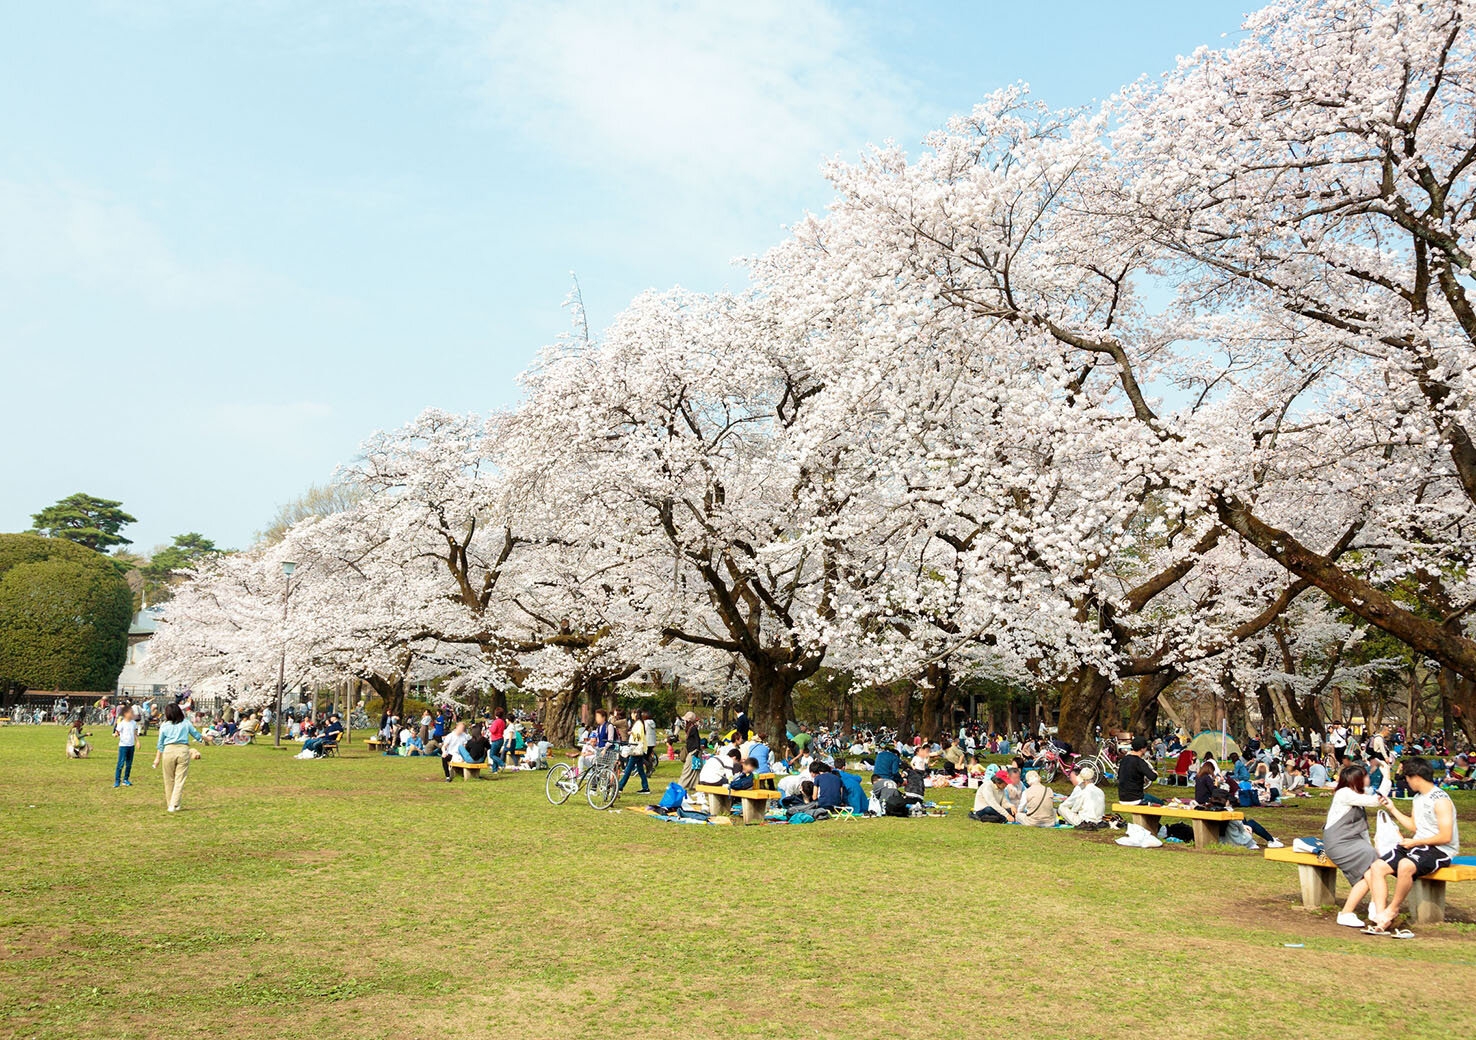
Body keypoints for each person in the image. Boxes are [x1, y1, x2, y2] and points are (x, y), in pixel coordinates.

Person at [1365, 758, 1461, 933]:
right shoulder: (1418, 798)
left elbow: (1446, 837)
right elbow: (1414, 826)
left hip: (1440, 850)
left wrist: (1415, 842)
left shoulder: (1441, 800)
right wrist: (1392, 809)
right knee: (1377, 867)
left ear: (1416, 777)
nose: (1406, 782)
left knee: (1405, 865)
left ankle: (1393, 909)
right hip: (1418, 844)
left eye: (1407, 778)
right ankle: (1381, 918)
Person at [1321, 762, 1385, 928]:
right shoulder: (1344, 793)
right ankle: (1377, 907)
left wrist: (1370, 846)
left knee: (1371, 866)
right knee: (1372, 864)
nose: (1368, 778)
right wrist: (1387, 778)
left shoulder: (1357, 795)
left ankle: (1351, 912)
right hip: (1338, 842)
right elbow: (1378, 801)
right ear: (1356, 779)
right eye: (1365, 775)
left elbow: (1362, 830)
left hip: (1352, 841)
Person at [152, 702, 203, 812]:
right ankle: (174, 804)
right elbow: (196, 734)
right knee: (180, 779)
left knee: (169, 779)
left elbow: (160, 744)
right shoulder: (186, 723)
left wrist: (157, 758)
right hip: (182, 750)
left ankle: (172, 803)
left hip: (168, 751)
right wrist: (203, 739)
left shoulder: (165, 725)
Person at [1116, 737, 1162, 805]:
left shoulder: (1124, 759)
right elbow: (1152, 777)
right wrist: (1155, 773)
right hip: (1136, 798)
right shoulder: (1139, 762)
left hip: (1122, 798)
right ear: (1142, 749)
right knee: (1160, 803)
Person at [617, 729, 651, 795]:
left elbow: (638, 736)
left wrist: (632, 733)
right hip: (638, 750)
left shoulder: (638, 724)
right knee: (640, 770)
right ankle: (646, 787)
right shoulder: (639, 723)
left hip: (636, 750)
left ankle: (620, 786)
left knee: (628, 769)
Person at [113, 704, 139, 787]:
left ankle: (126, 779)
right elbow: (117, 732)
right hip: (123, 746)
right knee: (120, 763)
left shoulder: (134, 723)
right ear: (125, 714)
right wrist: (116, 734)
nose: (132, 714)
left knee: (129, 764)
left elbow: (135, 733)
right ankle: (117, 780)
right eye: (131, 712)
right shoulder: (122, 723)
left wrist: (137, 742)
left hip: (131, 746)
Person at [679, 712, 703, 791]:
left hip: (694, 751)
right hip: (693, 750)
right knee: (695, 769)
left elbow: (697, 740)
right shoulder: (690, 728)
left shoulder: (693, 728)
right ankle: (694, 785)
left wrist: (697, 750)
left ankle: (680, 785)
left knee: (687, 769)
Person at [486, 708, 508, 773]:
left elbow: (493, 730)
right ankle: (494, 769)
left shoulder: (496, 721)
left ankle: (502, 764)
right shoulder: (503, 722)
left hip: (496, 739)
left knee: (491, 754)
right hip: (501, 738)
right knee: (496, 754)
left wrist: (488, 727)